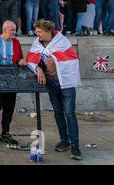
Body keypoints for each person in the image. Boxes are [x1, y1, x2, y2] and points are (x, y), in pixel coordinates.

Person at [28, 20, 82, 161]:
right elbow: (31, 59)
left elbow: (72, 60)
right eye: (36, 31)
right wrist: (38, 69)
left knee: (69, 113)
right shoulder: (37, 43)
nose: (37, 34)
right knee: (58, 112)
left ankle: (75, 145)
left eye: (39, 32)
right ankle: (64, 140)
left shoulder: (62, 42)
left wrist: (56, 61)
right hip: (51, 82)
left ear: (48, 31)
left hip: (66, 83)